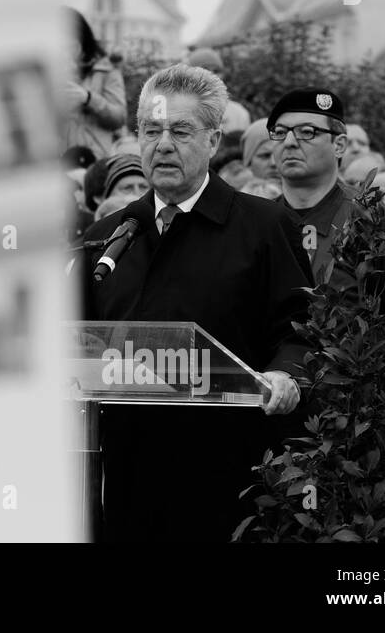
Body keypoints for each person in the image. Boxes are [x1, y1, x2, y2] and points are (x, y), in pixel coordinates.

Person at [80, 63, 311, 542]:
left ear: (212, 140)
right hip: (128, 475)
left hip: (227, 476)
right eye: (151, 130)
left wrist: (286, 374)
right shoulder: (109, 236)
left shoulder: (264, 227)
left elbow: (300, 329)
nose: (163, 144)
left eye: (181, 130)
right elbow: (79, 346)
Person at [269, 88, 357, 285]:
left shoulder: (374, 224)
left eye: (307, 132)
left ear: (339, 145)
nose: (289, 142)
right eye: (280, 132)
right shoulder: (254, 224)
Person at [63, 9, 127, 161]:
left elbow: (119, 118)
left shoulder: (106, 71)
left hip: (95, 160)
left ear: (82, 40)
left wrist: (89, 98)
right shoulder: (52, 73)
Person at [185, 47, 251, 134]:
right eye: (205, 69)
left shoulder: (239, 114)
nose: (212, 75)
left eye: (216, 70)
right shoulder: (180, 112)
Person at [93, 153, 148, 221]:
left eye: (143, 187)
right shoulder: (97, 230)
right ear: (109, 195)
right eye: (127, 188)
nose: (137, 193)